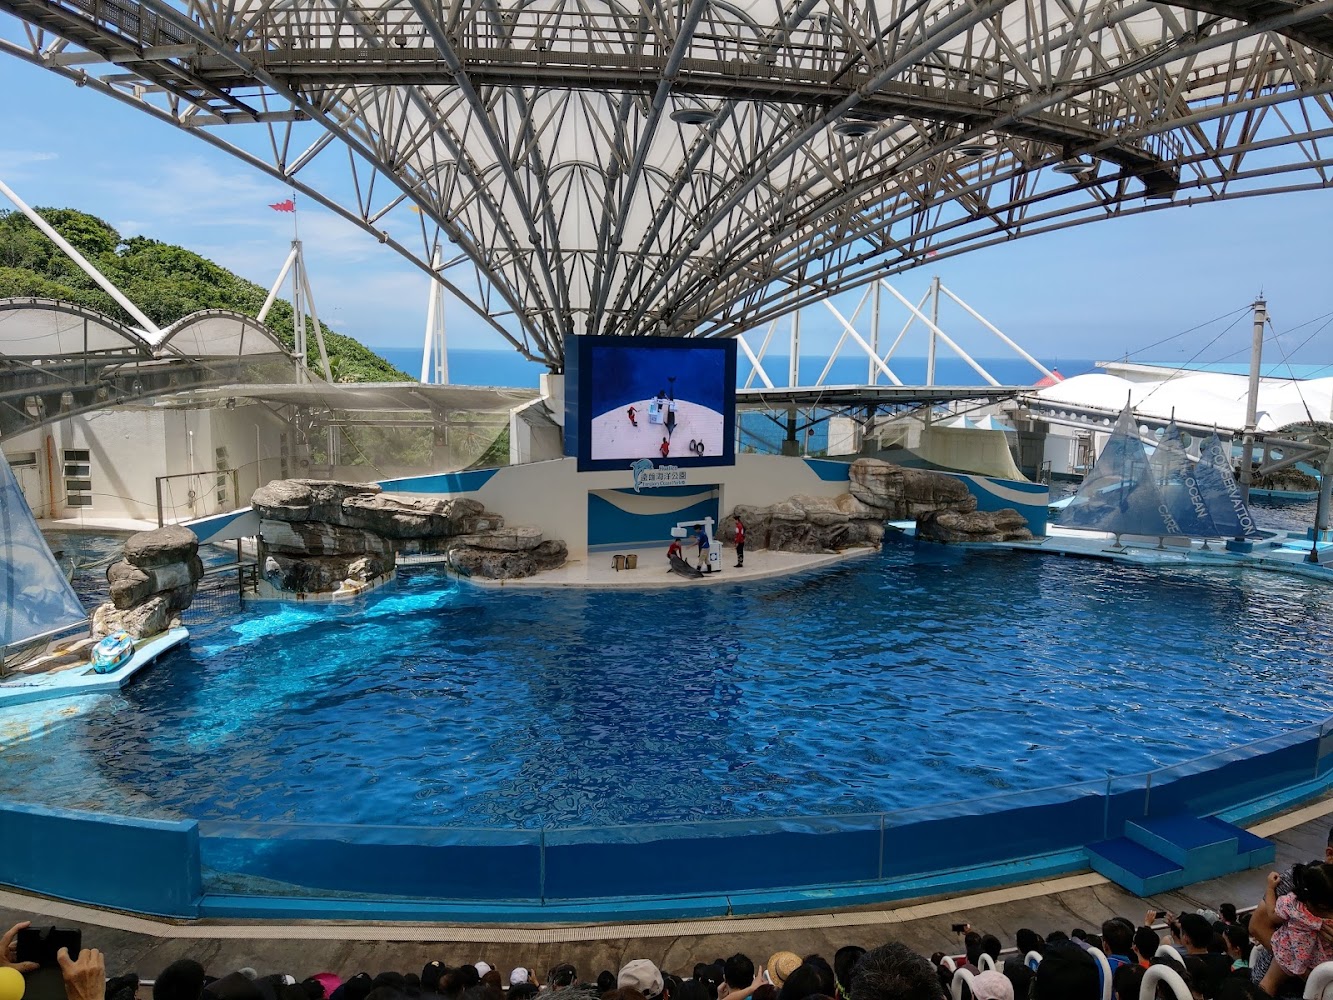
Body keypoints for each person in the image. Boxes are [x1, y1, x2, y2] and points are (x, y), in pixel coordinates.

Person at [1258, 863, 1333, 996]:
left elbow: (1272, 915)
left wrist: (1270, 888)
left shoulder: (1292, 905)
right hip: (1321, 963)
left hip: (1289, 952)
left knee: (1268, 983)